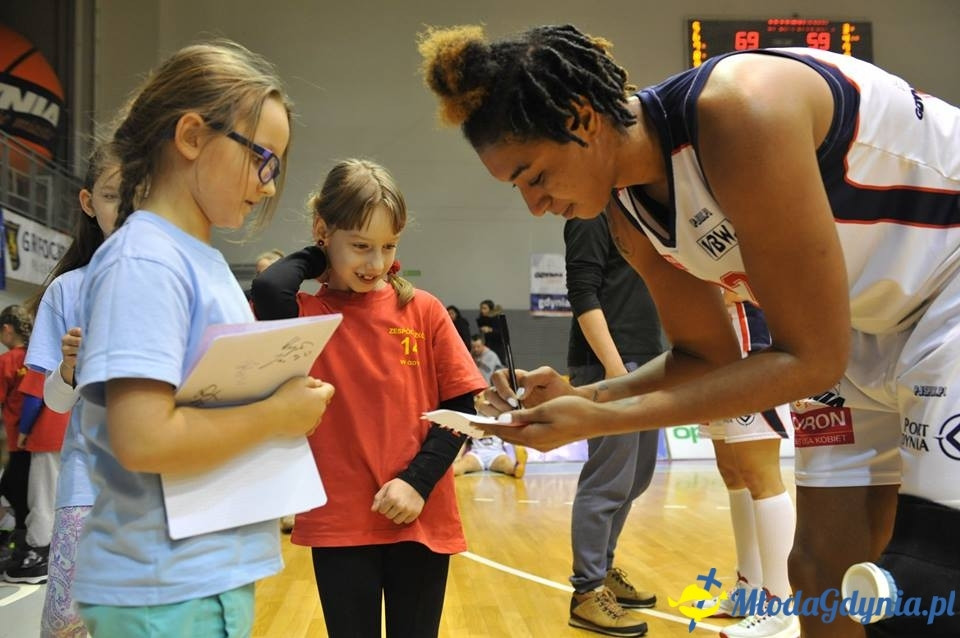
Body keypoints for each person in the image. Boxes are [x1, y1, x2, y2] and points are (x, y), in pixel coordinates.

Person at [419, 24, 960, 638]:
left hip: (948, 286)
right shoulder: (626, 208)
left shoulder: (738, 110)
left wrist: (603, 419)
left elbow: (809, 359)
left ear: (581, 118)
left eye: (534, 176)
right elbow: (704, 355)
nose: (534, 205)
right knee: (817, 572)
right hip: (861, 323)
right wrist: (585, 396)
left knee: (928, 578)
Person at [71, 40, 335, 637]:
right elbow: (143, 438)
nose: (269, 185)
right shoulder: (146, 261)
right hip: (161, 587)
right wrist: (275, 414)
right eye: (263, 159)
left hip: (201, 576)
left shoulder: (199, 259)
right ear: (192, 136)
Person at [251, 159, 487, 638]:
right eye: (360, 246)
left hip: (418, 515)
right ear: (323, 231)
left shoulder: (422, 310)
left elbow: (463, 409)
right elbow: (269, 287)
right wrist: (319, 255)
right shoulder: (305, 314)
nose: (376, 264)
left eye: (388, 246)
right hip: (340, 521)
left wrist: (417, 484)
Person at [8, 142, 120, 634]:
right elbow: (54, 400)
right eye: (115, 194)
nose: (128, 208)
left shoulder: (175, 280)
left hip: (162, 486)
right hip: (87, 484)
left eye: (141, 195)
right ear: (88, 202)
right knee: (67, 623)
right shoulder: (67, 290)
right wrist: (70, 368)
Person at [563, 215, 661, 638]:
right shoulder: (587, 213)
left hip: (651, 361)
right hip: (610, 366)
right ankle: (587, 591)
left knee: (635, 480)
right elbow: (582, 290)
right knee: (607, 482)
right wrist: (616, 371)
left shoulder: (639, 211)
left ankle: (602, 571)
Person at [699, 299, 797, 638]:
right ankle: (750, 588)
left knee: (760, 474)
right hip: (709, 342)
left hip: (748, 331)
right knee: (732, 472)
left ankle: (781, 607)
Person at [0, 305, 32, 576]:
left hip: (17, 438)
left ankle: (21, 546)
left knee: (12, 488)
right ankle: (22, 544)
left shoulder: (8, 360)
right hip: (37, 438)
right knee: (25, 492)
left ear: (7, 329)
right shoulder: (34, 358)